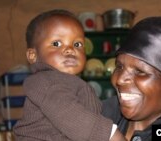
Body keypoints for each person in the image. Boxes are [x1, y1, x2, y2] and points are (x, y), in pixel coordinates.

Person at [13, 9, 126, 141]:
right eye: (56, 43)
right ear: (33, 56)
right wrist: (111, 134)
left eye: (77, 44)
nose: (70, 49)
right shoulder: (43, 81)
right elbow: (69, 114)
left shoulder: (74, 83)